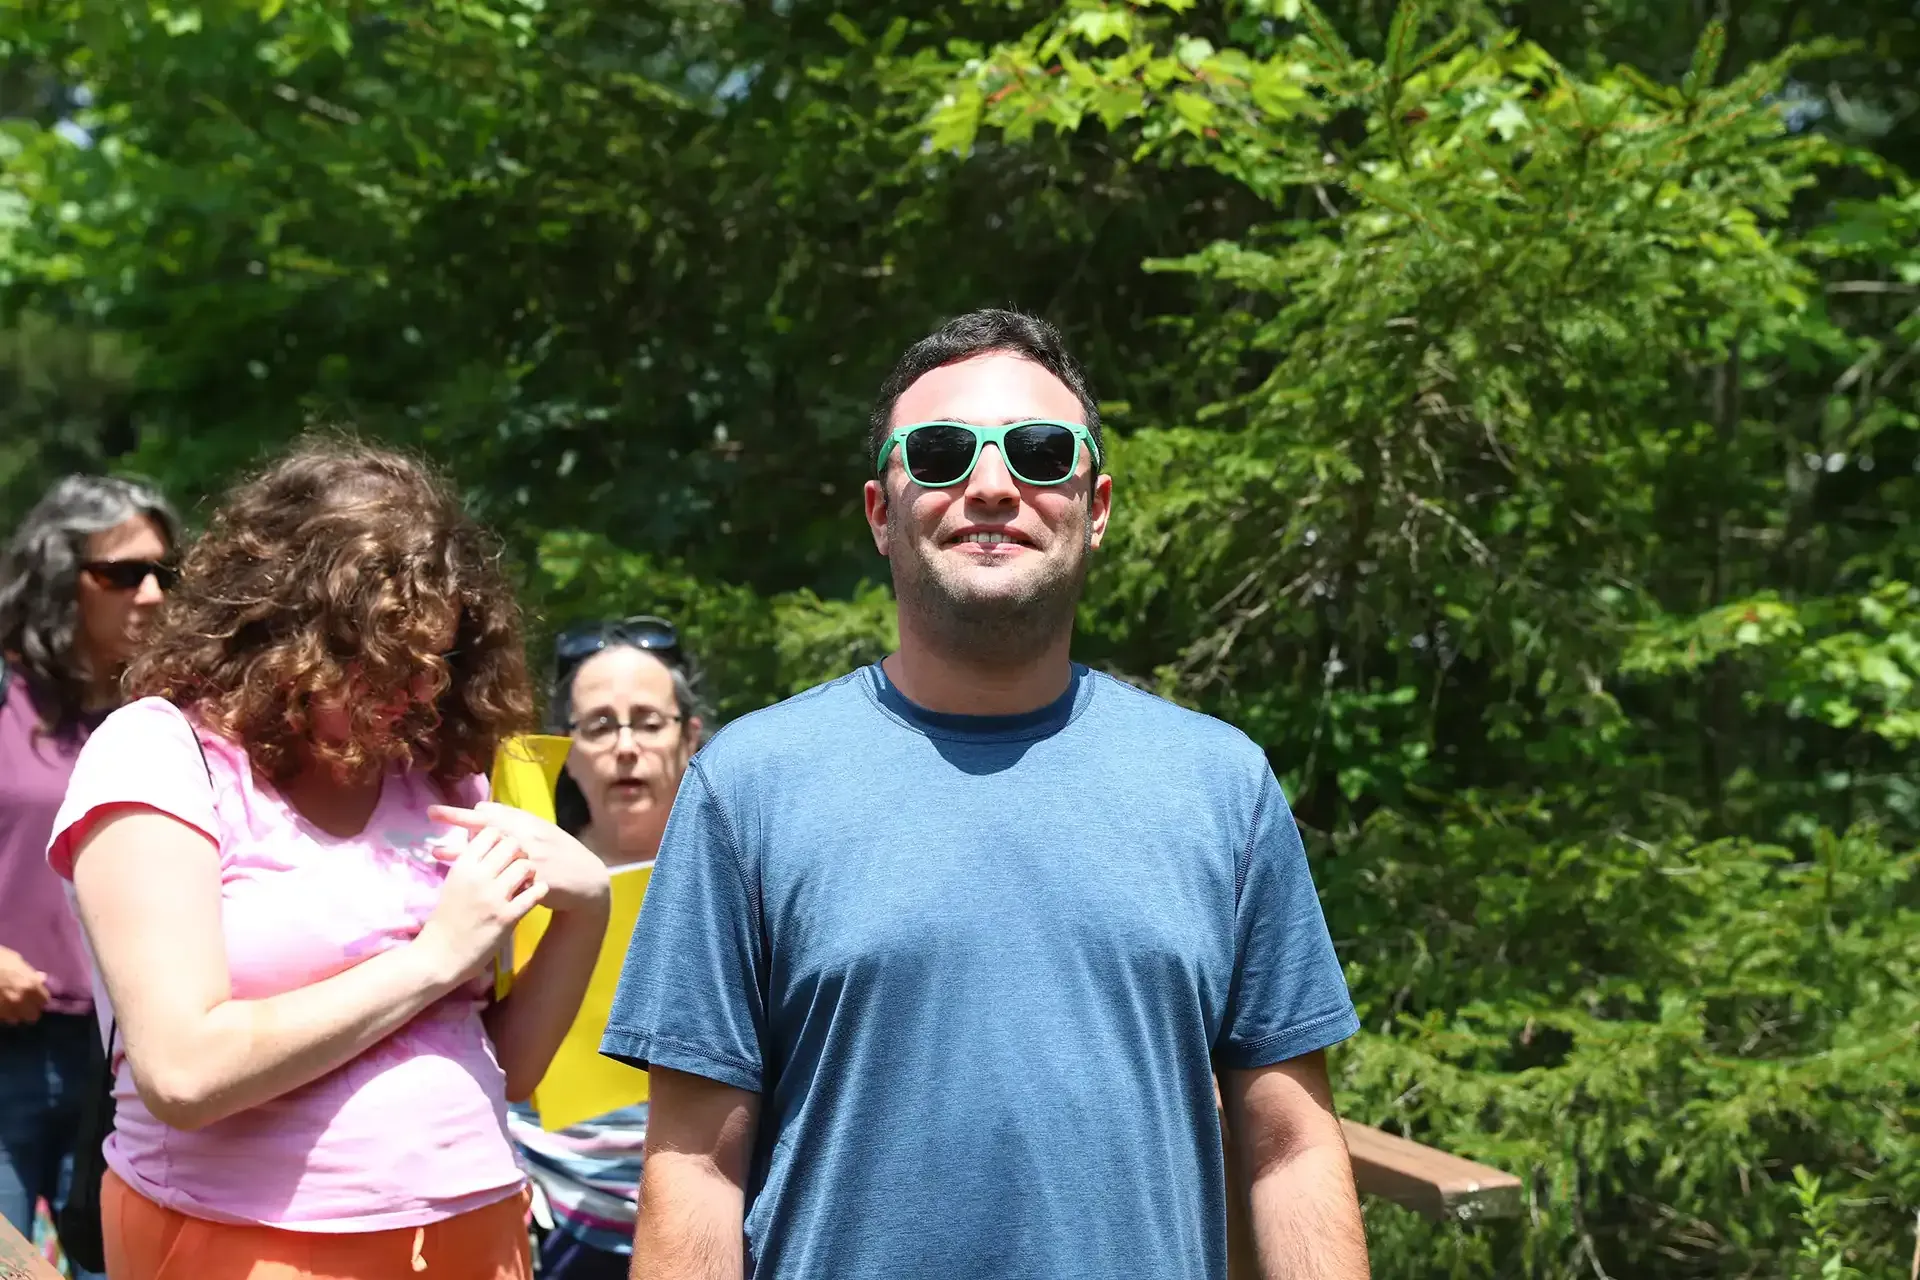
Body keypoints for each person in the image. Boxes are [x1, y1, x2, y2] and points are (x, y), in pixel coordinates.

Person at [603, 309, 1371, 1280]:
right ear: (883, 510)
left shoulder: (1222, 788)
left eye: (1043, 452)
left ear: (1093, 505)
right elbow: (695, 1170)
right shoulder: (748, 788)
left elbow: (1292, 1148)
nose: (995, 484)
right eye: (940, 452)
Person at [44, 440, 613, 1280]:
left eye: (439, 660)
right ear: (288, 630)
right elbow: (184, 1072)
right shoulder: (163, 753)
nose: (422, 691)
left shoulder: (439, 768)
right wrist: (430, 960)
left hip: (479, 1231)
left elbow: (512, 1067)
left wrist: (585, 908)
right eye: (392, 660)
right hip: (241, 1241)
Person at [0, 474, 179, 1279]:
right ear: (56, 574)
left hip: (130, 1060)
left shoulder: (171, 716)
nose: (149, 594)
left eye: (163, 575)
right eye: (121, 573)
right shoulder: (5, 696)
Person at [506, 617, 704, 1280]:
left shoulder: (746, 877)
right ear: (567, 748)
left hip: (715, 1231)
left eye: (649, 722)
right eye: (599, 725)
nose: (626, 747)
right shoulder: (513, 880)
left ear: (690, 736)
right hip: (556, 1236)